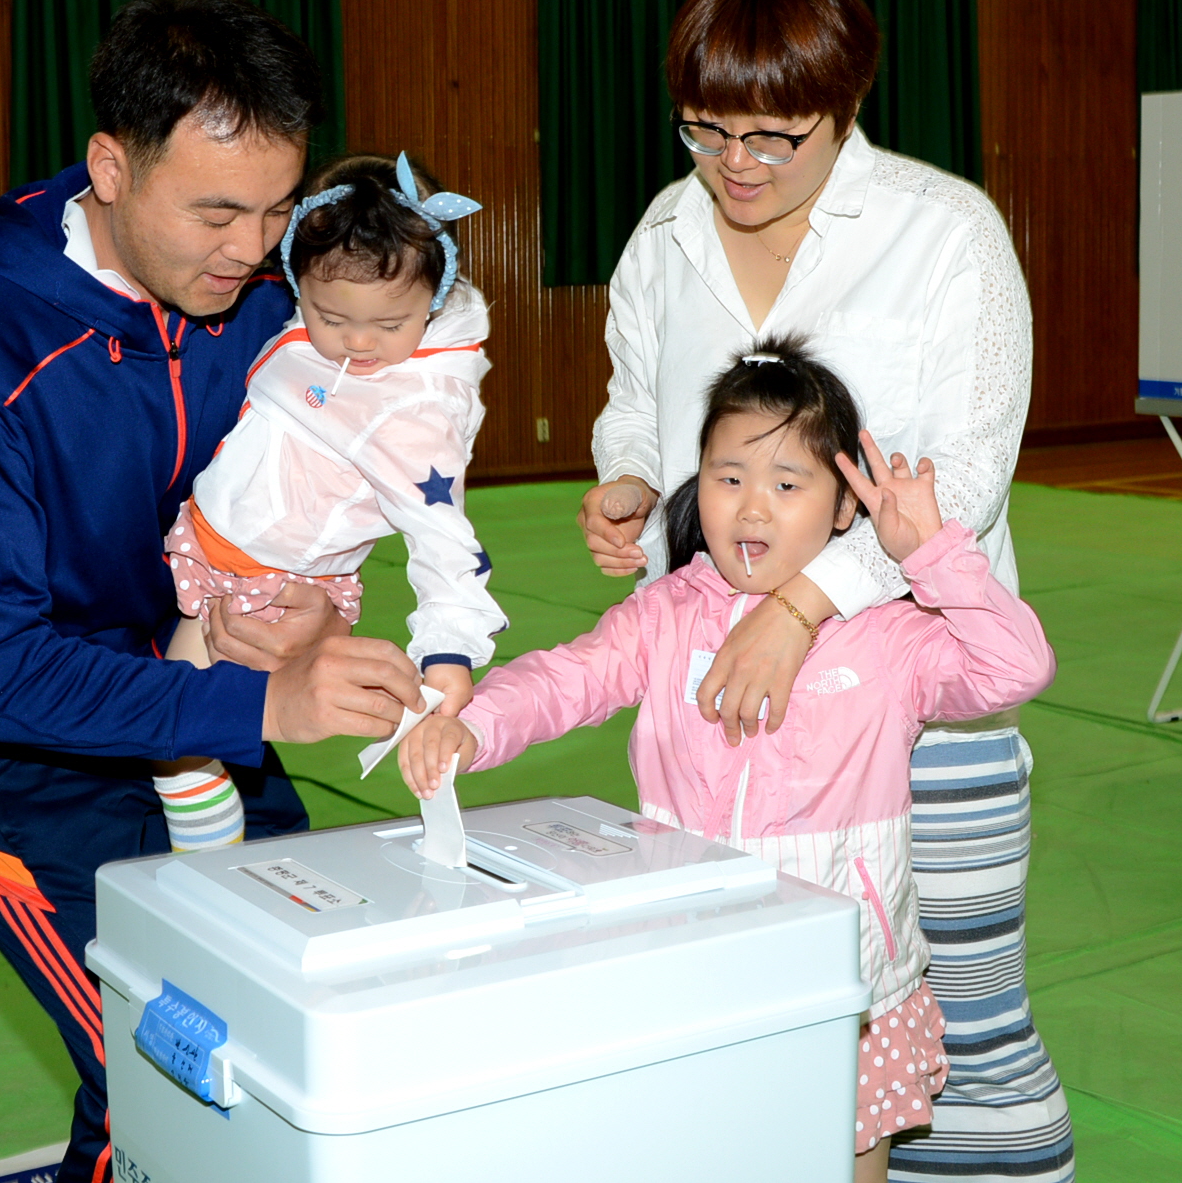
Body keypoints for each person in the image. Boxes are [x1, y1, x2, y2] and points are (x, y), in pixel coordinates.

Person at [0, 0, 418, 1183]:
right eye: (217, 212)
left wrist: (308, 600)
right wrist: (262, 705)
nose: (252, 248)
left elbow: (310, 483)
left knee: (279, 1018)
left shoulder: (264, 299)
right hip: (7, 761)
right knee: (155, 1061)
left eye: (277, 208)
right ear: (111, 169)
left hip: (193, 699)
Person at [577, 0, 1073, 1180]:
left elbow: (967, 474)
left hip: (916, 711)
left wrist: (805, 604)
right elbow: (635, 401)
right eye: (705, 130)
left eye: (772, 137)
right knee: (751, 1050)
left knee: (965, 1036)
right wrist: (631, 479)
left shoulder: (944, 233)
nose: (733, 164)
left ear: (843, 107)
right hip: (720, 733)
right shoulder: (665, 230)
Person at [402, 340, 1056, 1183]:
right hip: (690, 969)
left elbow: (1016, 667)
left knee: (845, 1158)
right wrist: (476, 725)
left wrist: (932, 555)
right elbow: (569, 677)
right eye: (729, 476)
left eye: (787, 484)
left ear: (844, 508)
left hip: (848, 983)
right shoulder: (665, 614)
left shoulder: (888, 636)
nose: (752, 508)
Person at [150, 151, 506, 848]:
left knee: (176, 739)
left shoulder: (411, 411)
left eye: (391, 323)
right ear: (297, 282)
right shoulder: (315, 324)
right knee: (174, 731)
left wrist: (448, 651)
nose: (359, 343)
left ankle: (208, 854)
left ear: (434, 300)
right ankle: (211, 849)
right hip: (216, 551)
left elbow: (442, 536)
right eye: (330, 316)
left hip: (266, 584)